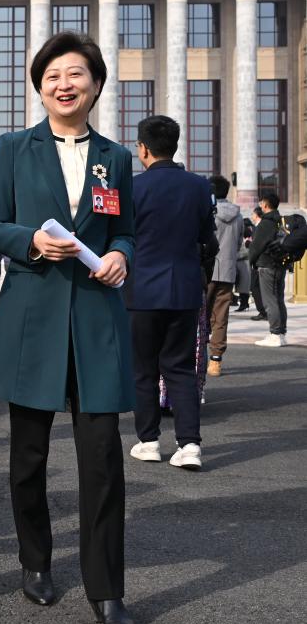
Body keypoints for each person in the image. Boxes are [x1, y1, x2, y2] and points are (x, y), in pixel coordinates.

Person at [0, 32, 138, 624]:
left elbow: (123, 229)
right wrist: (30, 242)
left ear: (95, 85)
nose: (64, 84)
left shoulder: (116, 157)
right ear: (39, 87)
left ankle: (108, 591)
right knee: (29, 458)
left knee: (102, 462)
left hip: (95, 322)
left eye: (76, 74)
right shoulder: (15, 147)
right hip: (34, 322)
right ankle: (36, 558)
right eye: (52, 76)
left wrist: (120, 253)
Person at [126, 115, 216, 472]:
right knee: (180, 368)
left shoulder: (132, 188)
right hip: (183, 287)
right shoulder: (198, 186)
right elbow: (206, 238)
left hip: (141, 289)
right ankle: (189, 444)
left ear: (142, 149)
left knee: (142, 368)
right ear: (175, 145)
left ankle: (148, 440)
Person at [205, 175, 243, 377]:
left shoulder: (208, 211)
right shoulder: (238, 214)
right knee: (221, 316)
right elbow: (238, 244)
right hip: (228, 270)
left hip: (208, 269)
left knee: (201, 314)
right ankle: (216, 360)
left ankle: (199, 354)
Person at [248, 193, 287, 346]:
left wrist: (251, 261)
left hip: (266, 265)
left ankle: (275, 333)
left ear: (265, 204)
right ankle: (281, 333)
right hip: (279, 264)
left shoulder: (265, 223)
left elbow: (256, 246)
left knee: (270, 300)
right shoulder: (280, 221)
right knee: (278, 299)